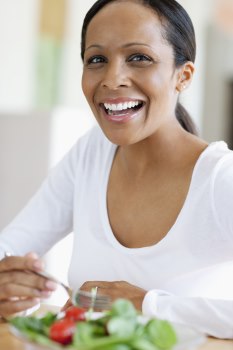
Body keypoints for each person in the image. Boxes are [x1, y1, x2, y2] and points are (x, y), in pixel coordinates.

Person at [0, 0, 233, 339]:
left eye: (138, 57)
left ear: (183, 76)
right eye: (97, 59)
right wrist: (6, 283)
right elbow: (11, 247)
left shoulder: (219, 179)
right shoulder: (91, 153)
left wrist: (147, 304)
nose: (112, 79)